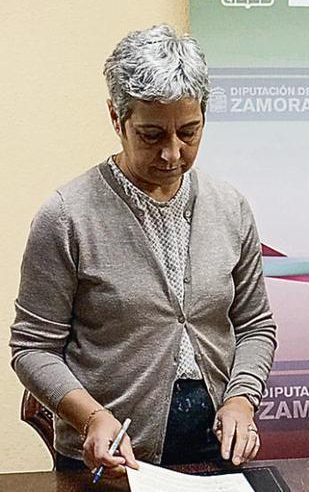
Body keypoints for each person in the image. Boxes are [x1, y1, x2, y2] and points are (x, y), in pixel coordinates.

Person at [9, 25, 277, 475]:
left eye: (189, 132)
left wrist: (242, 398)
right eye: (152, 136)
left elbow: (254, 325)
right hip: (113, 449)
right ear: (117, 119)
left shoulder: (230, 207)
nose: (173, 154)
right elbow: (32, 348)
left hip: (213, 442)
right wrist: (91, 417)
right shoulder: (66, 216)